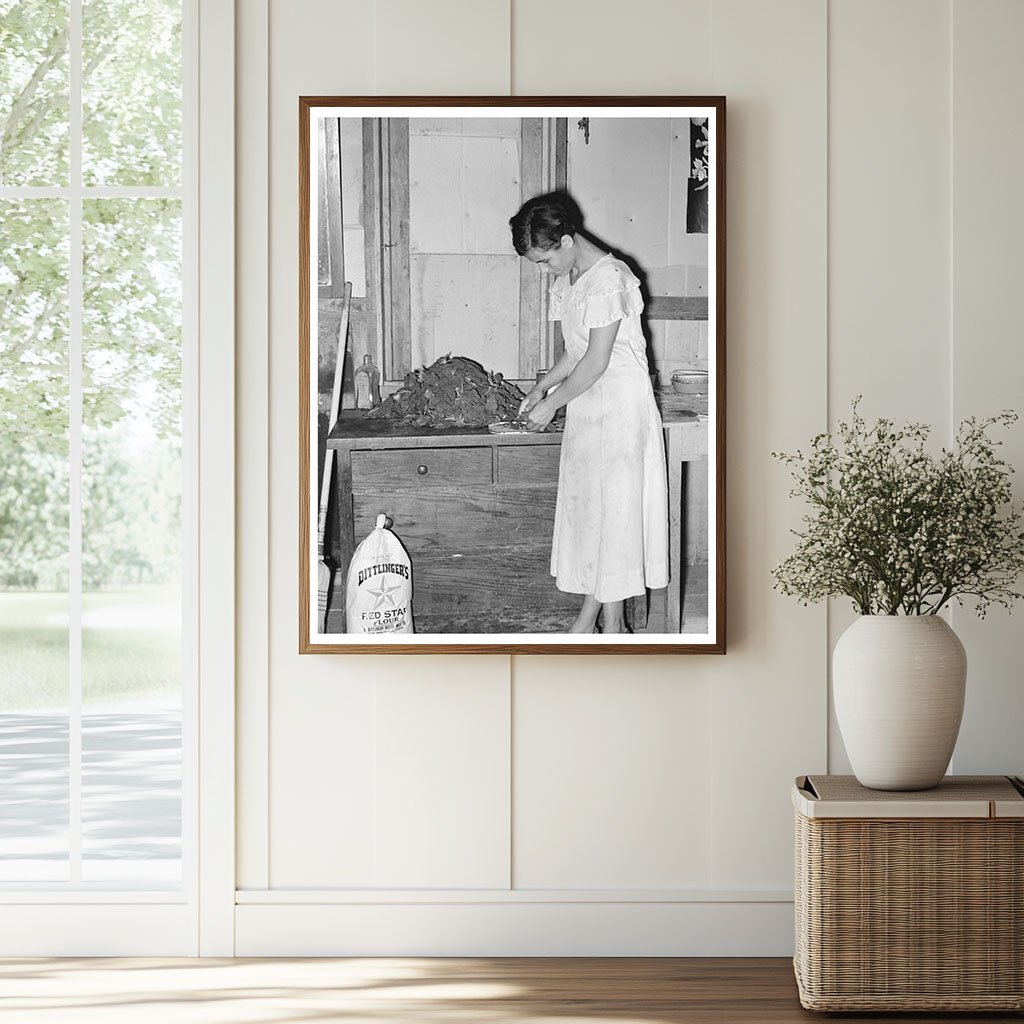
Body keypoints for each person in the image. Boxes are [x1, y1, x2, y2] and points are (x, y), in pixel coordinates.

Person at [509, 191, 669, 634]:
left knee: (615, 516)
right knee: (595, 517)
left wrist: (550, 405)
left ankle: (588, 623)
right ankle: (613, 626)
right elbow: (575, 352)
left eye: (544, 262)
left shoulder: (611, 278)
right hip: (587, 404)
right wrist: (543, 385)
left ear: (565, 241)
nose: (544, 272)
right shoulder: (572, 278)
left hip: (620, 409)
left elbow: (598, 361)